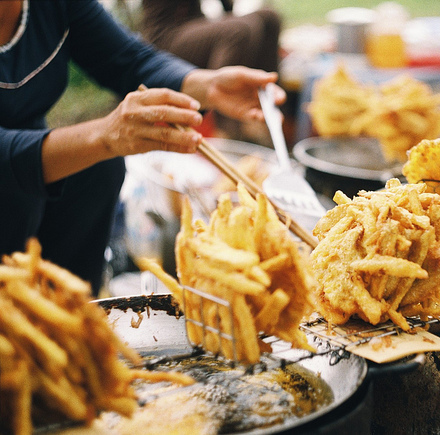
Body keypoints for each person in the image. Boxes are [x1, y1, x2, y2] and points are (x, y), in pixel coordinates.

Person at [0, 0, 286, 296]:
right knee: (90, 156)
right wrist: (103, 135)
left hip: (29, 172)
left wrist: (207, 86)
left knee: (96, 165)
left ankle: (68, 317)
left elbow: (128, 59)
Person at [140, 0, 282, 139]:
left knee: (269, 18)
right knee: (239, 30)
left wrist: (228, 11)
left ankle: (268, 120)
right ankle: (225, 132)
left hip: (194, 22)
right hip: (165, 34)